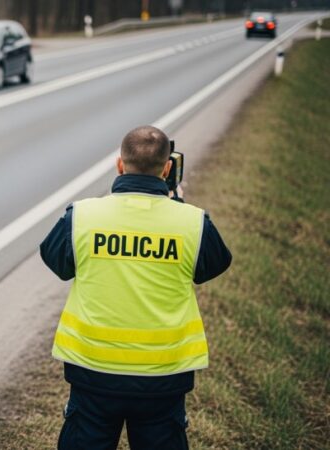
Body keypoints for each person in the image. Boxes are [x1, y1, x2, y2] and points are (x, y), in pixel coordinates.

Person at [40, 125, 232, 450]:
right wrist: (179, 206)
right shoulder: (193, 222)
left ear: (119, 164)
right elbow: (213, 265)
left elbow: (57, 263)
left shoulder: (82, 216)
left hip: (92, 373)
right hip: (163, 378)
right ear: (167, 168)